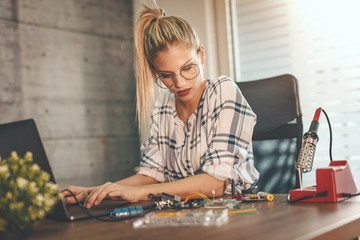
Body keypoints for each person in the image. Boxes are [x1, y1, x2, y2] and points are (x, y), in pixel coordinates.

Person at [62, 5, 259, 209]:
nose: (180, 83)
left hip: (235, 210)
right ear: (156, 71)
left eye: (187, 68)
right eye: (166, 75)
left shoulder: (223, 90)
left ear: (201, 55)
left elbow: (215, 185)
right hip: (189, 211)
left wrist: (138, 193)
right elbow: (152, 174)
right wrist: (93, 191)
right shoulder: (163, 105)